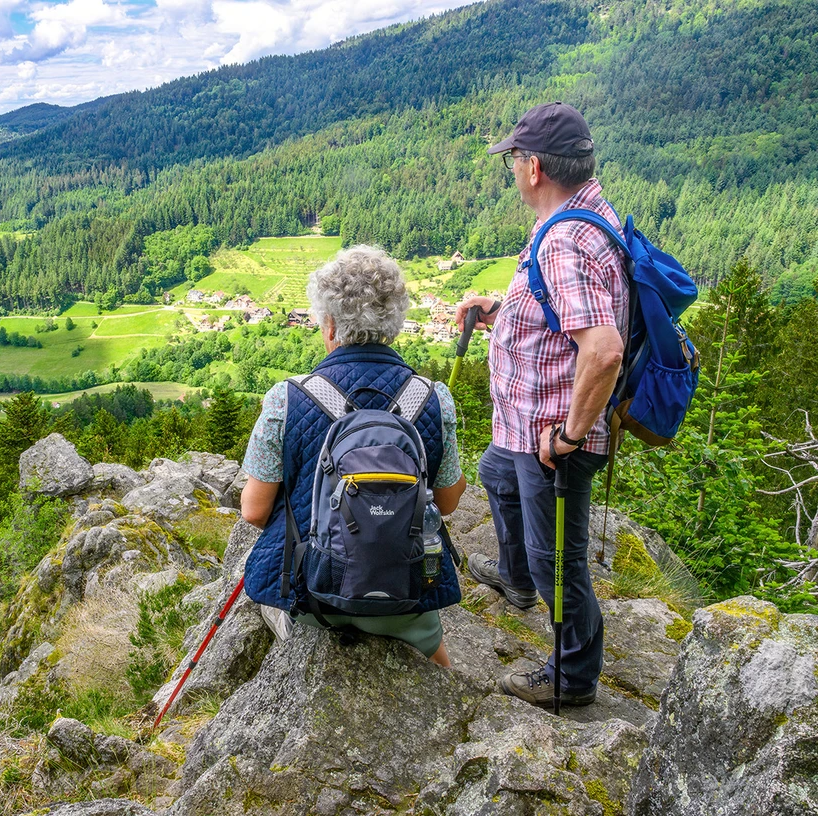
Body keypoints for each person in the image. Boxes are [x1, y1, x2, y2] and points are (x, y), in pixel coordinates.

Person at [455, 102, 626, 707]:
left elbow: (601, 350)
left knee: (560, 561)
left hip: (554, 439)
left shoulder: (564, 242)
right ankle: (517, 580)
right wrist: (501, 314)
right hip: (523, 429)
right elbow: (566, 317)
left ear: (534, 168)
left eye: (515, 161)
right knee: (494, 472)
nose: (513, 172)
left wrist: (571, 437)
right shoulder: (578, 218)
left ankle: (571, 677)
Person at [239, 245, 467, 667]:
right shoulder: (434, 399)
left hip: (316, 598)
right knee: (439, 664)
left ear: (329, 324)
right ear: (395, 324)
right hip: (408, 596)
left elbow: (254, 511)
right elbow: (449, 502)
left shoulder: (286, 399)